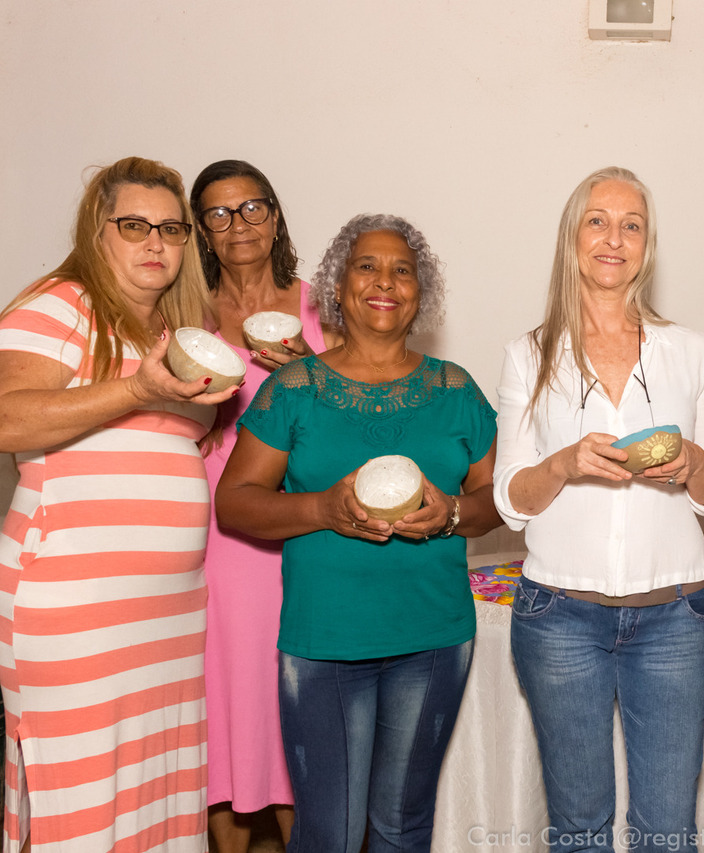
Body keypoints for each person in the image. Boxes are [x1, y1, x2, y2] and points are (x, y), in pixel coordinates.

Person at [215, 213, 499, 852]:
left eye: (403, 270)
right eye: (366, 266)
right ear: (337, 290)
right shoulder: (294, 388)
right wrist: (322, 510)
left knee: (403, 827)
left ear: (419, 295)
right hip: (324, 643)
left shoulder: (456, 390)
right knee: (331, 834)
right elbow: (234, 503)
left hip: (433, 640)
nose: (385, 282)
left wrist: (451, 513)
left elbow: (494, 503)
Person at [494, 166, 704, 853]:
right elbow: (511, 499)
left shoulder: (689, 352)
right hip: (558, 617)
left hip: (674, 617)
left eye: (632, 225)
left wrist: (692, 463)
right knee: (578, 830)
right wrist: (564, 463)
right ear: (572, 235)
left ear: (647, 245)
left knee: (668, 830)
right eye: (598, 220)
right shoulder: (530, 356)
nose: (614, 237)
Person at [0, 156, 239, 851]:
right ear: (97, 231)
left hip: (165, 614)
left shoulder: (178, 329)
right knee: (79, 794)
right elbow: (7, 417)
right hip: (71, 609)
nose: (156, 243)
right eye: (134, 225)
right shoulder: (62, 305)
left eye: (171, 228)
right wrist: (139, 389)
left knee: (156, 794)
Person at [190, 159, 341, 851]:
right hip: (207, 534)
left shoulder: (320, 307)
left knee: (292, 705)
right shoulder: (184, 313)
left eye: (252, 208)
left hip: (297, 529)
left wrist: (308, 367)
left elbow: (354, 420)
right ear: (202, 230)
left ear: (275, 216)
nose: (238, 225)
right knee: (220, 699)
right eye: (218, 214)